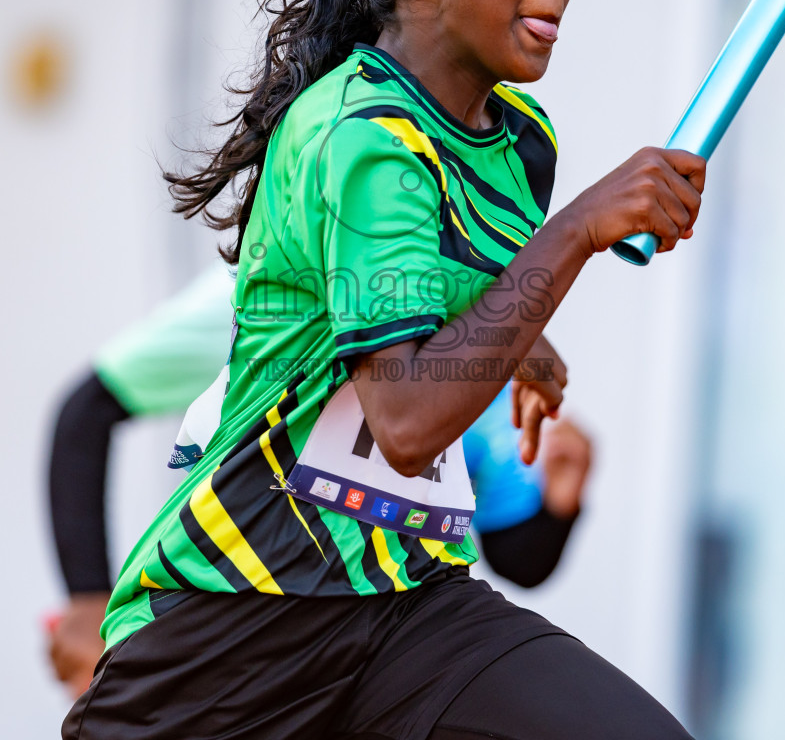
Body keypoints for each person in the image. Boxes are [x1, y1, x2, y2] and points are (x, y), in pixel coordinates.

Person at [63, 0, 704, 740]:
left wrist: (526, 340)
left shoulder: (520, 143)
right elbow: (405, 418)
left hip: (406, 603)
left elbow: (439, 299)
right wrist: (574, 234)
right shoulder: (361, 136)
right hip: (242, 618)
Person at [45, 265, 595, 697]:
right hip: (239, 627)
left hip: (396, 642)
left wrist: (563, 497)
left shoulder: (480, 322)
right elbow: (86, 413)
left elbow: (517, 554)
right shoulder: (272, 291)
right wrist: (89, 601)